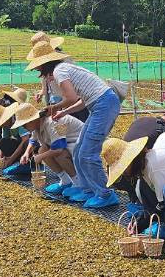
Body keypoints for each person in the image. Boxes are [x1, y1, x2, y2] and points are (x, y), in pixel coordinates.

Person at [27, 46, 122, 209]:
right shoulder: (63, 69)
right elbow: (81, 100)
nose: (36, 68)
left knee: (88, 153)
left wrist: (55, 107)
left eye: (37, 65)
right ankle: (88, 189)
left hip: (104, 104)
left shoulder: (59, 72)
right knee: (79, 150)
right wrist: (63, 112)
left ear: (44, 64)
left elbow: (70, 97)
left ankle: (105, 194)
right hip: (98, 104)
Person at [103, 134, 165, 240]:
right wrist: (143, 216)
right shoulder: (144, 167)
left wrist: (146, 220)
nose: (123, 173)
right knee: (141, 187)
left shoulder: (154, 165)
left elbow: (162, 203)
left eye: (123, 168)